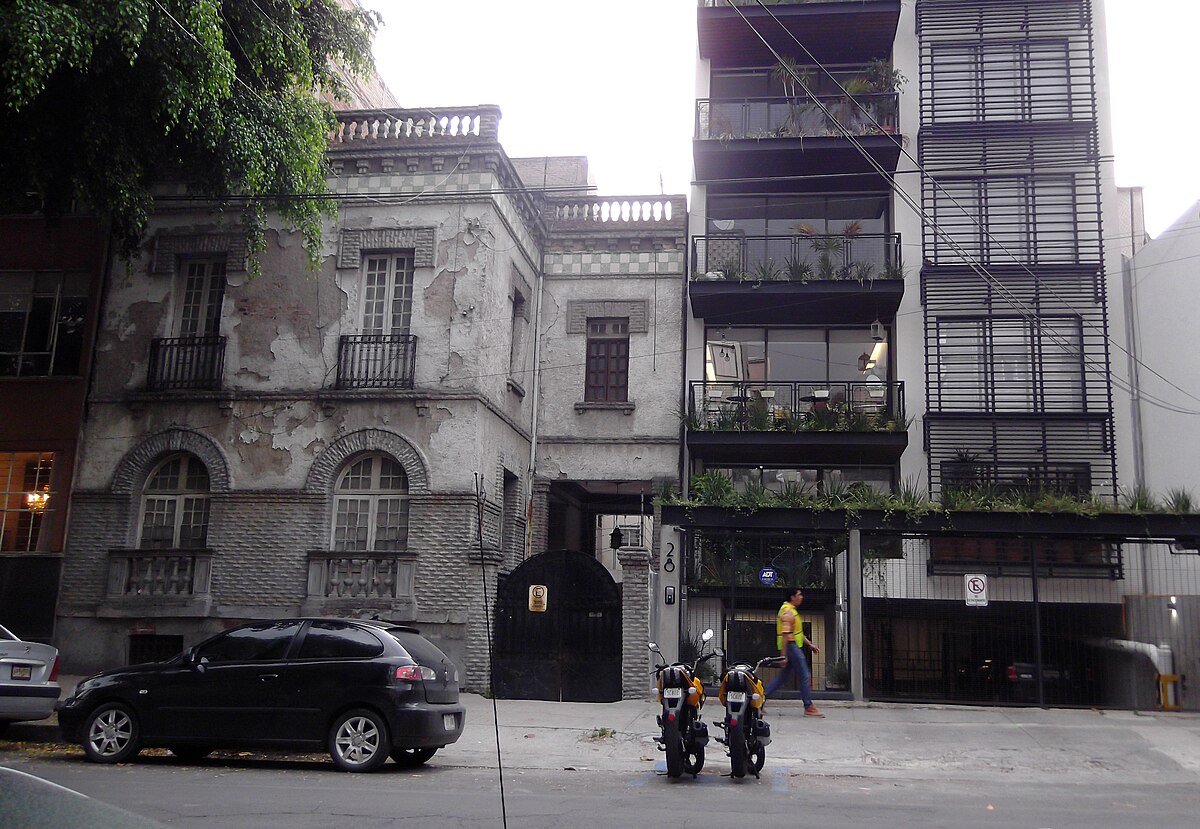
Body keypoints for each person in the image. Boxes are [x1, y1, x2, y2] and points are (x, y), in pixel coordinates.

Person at [764, 587, 824, 717]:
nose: (801, 597)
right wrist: (784, 655)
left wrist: (809, 644)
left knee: (782, 678)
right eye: (799, 594)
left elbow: (798, 633)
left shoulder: (791, 611)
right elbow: (786, 635)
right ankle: (808, 706)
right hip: (791, 647)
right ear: (792, 597)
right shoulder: (787, 612)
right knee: (805, 674)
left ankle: (759, 701)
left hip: (792, 646)